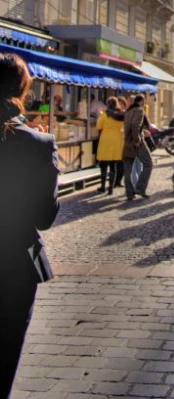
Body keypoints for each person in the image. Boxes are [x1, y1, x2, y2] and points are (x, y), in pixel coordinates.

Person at [0, 53, 60, 398]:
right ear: (23, 90)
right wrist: (48, 164)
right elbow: (44, 217)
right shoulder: (37, 143)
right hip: (14, 263)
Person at [123, 95, 153, 201]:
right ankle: (140, 188)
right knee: (148, 163)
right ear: (142, 102)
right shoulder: (139, 110)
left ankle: (129, 193)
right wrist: (137, 139)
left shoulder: (128, 111)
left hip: (126, 142)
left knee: (128, 168)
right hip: (136, 142)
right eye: (144, 102)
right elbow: (135, 125)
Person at [96, 97, 125, 195]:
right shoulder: (120, 115)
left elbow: (99, 126)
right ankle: (111, 188)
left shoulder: (105, 115)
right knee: (113, 166)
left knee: (103, 165)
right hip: (117, 140)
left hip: (106, 140)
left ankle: (103, 186)